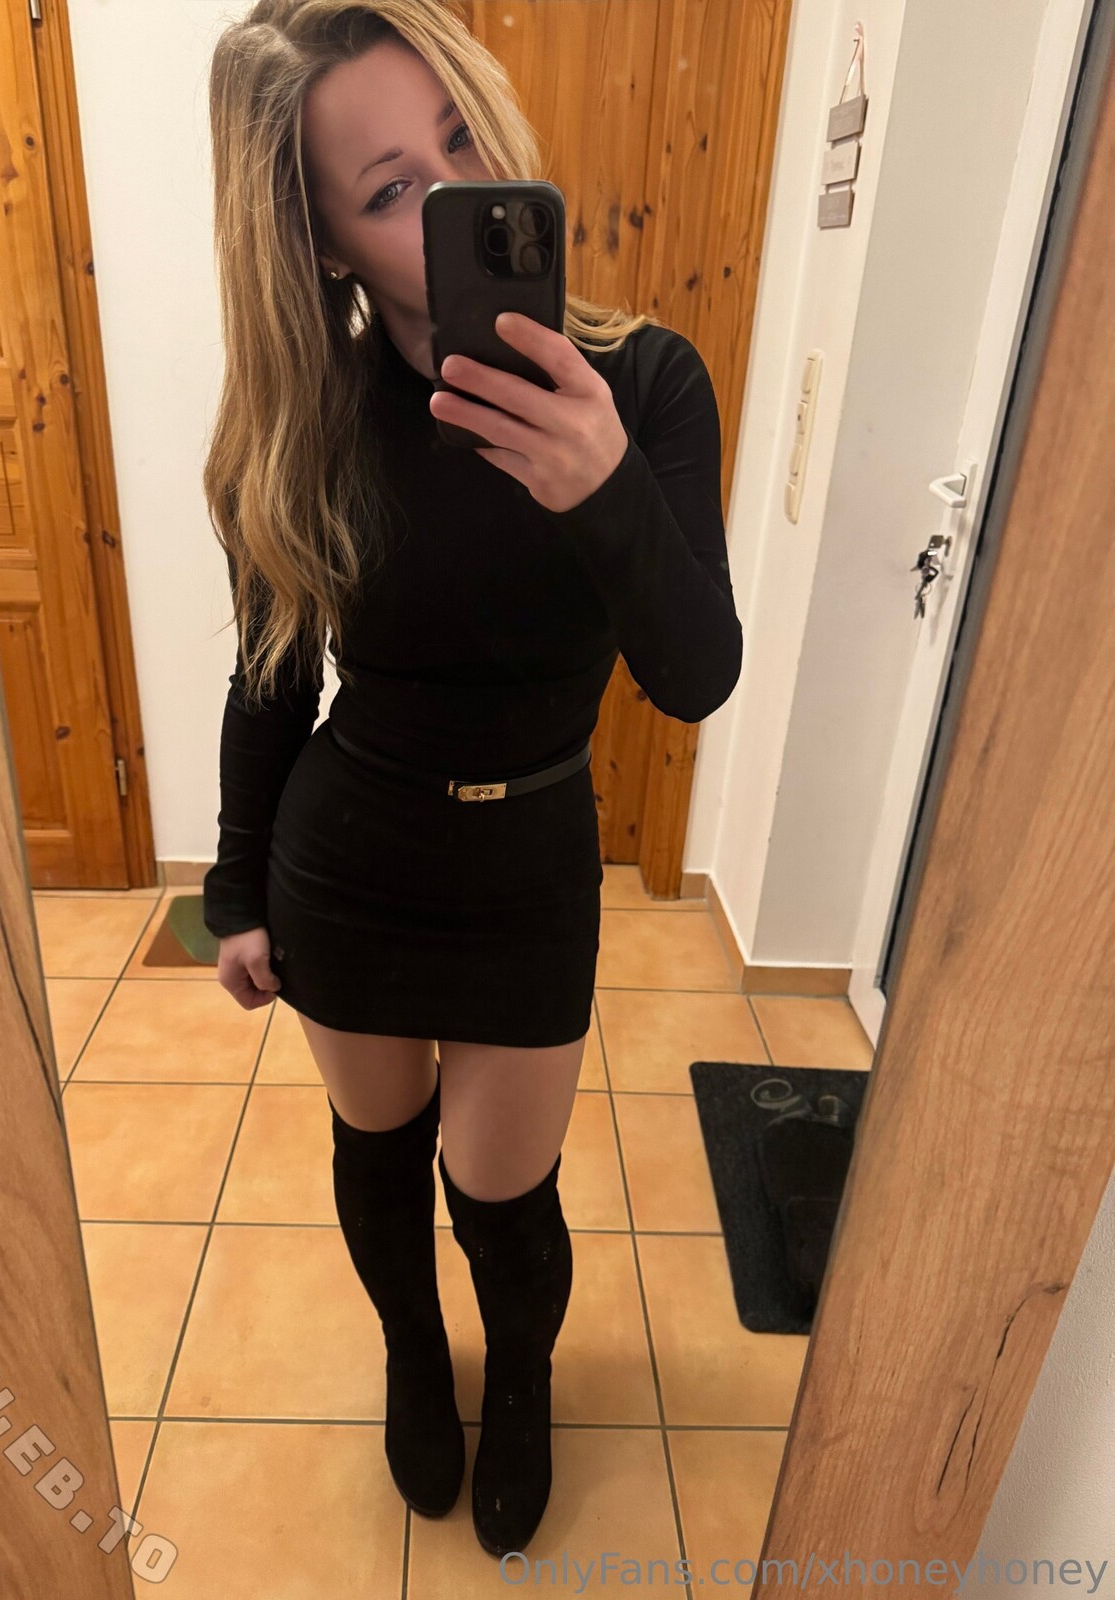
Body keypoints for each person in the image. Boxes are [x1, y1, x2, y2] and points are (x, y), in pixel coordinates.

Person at [200, 0, 743, 1559]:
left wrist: (605, 489)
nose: (456, 189)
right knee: (378, 1155)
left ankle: (521, 1383)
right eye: (392, 188)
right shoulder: (304, 425)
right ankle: (409, 1352)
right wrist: (232, 892)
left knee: (502, 1195)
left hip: (528, 872)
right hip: (349, 861)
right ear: (322, 245)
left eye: (458, 136)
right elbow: (271, 678)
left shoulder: (646, 385)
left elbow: (694, 673)